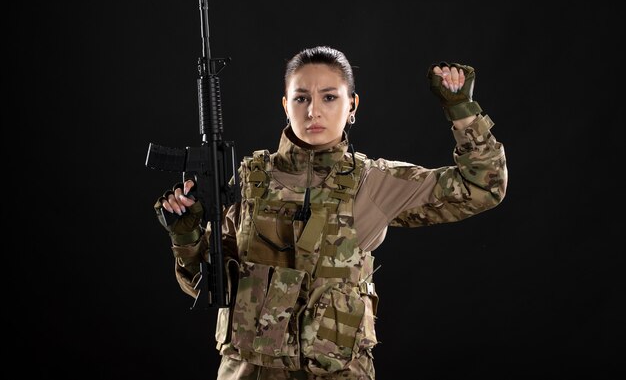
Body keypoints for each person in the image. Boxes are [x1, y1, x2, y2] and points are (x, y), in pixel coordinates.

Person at [153, 46, 508, 379]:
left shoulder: (374, 181)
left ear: (352, 105)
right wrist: (186, 236)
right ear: (285, 104)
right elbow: (205, 286)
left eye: (329, 97)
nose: (313, 111)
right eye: (301, 98)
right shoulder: (249, 179)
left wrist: (461, 108)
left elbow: (481, 187)